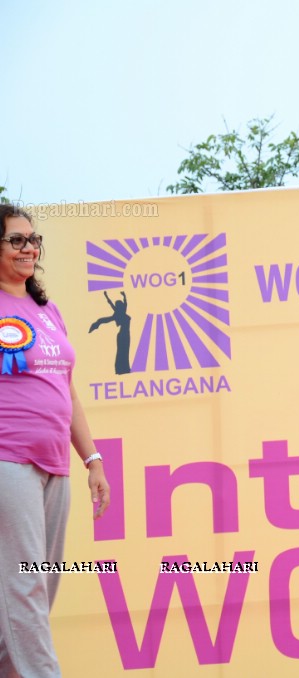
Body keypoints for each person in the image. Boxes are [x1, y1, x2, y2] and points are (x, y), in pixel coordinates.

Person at [0, 204, 111, 676]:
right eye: (17, 240)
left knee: (41, 584)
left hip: (55, 464)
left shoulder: (47, 310)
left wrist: (93, 460)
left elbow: (66, 389)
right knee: (26, 584)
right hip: (8, 458)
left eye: (33, 239)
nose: (30, 247)